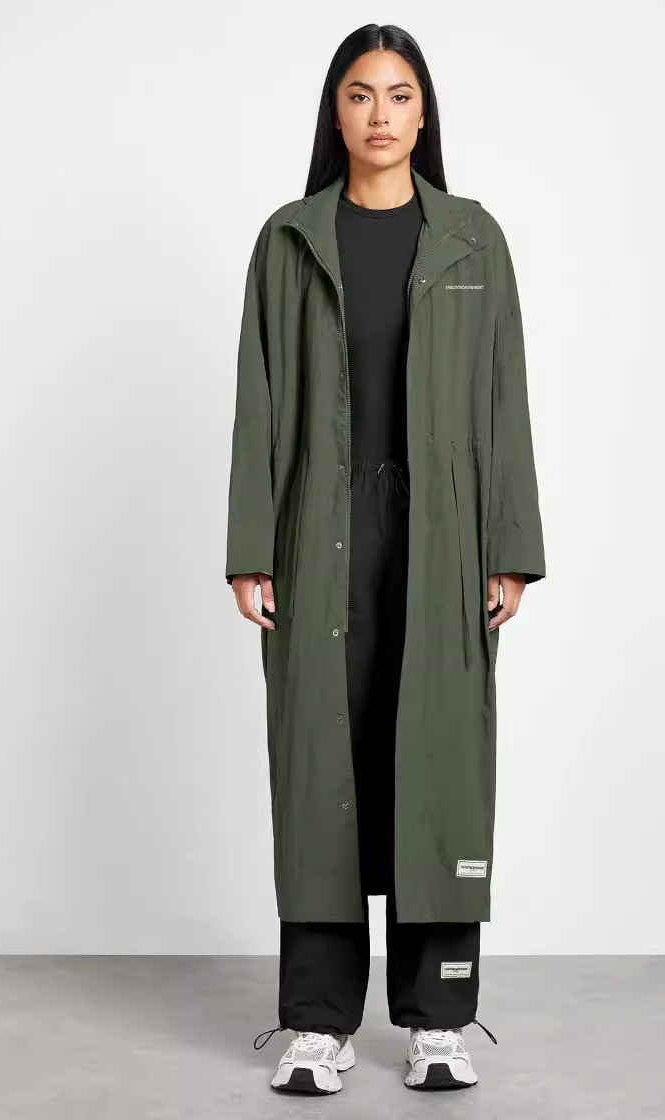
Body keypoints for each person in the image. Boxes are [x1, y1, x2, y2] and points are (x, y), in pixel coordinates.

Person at [225, 23, 545, 1095]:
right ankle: (316, 1024)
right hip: (318, 526)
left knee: (435, 761)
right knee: (324, 762)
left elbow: (504, 400)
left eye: (399, 95)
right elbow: (259, 402)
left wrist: (508, 546)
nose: (379, 114)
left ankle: (438, 1020)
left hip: (441, 529)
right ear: (336, 110)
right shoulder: (289, 240)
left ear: (423, 113)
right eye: (360, 94)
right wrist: (251, 546)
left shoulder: (472, 240)